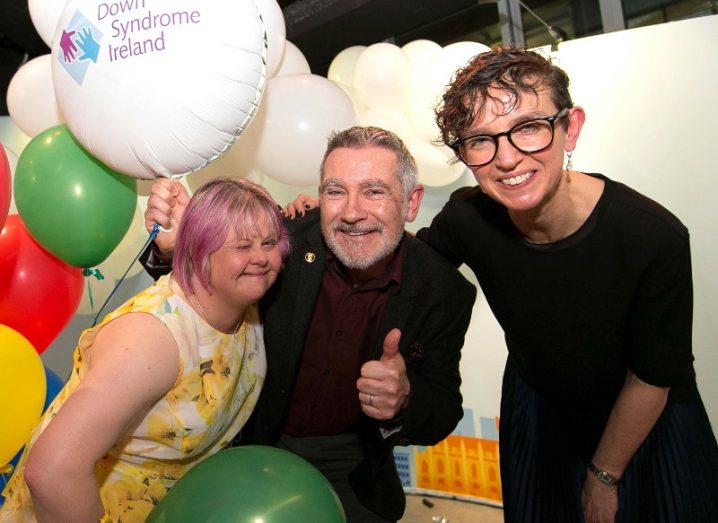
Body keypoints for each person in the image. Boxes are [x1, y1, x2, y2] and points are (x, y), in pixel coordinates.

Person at [287, 48, 718, 522]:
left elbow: (654, 375)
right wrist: (332, 217)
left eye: (528, 128)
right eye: (480, 140)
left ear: (569, 127)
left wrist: (604, 477)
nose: (507, 158)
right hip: (540, 406)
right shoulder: (469, 218)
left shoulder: (653, 237)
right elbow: (406, 257)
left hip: (644, 418)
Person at [141, 126, 477, 522]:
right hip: (246, 440)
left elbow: (442, 409)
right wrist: (173, 248)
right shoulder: (286, 240)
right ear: (319, 196)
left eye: (373, 191)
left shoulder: (443, 291)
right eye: (336, 191)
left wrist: (403, 400)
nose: (351, 213)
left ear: (411, 202)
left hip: (353, 467)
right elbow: (215, 285)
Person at [0, 178, 290, 523]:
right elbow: (51, 471)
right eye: (242, 246)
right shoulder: (152, 340)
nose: (260, 257)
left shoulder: (245, 304)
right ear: (199, 250)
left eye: (269, 242)